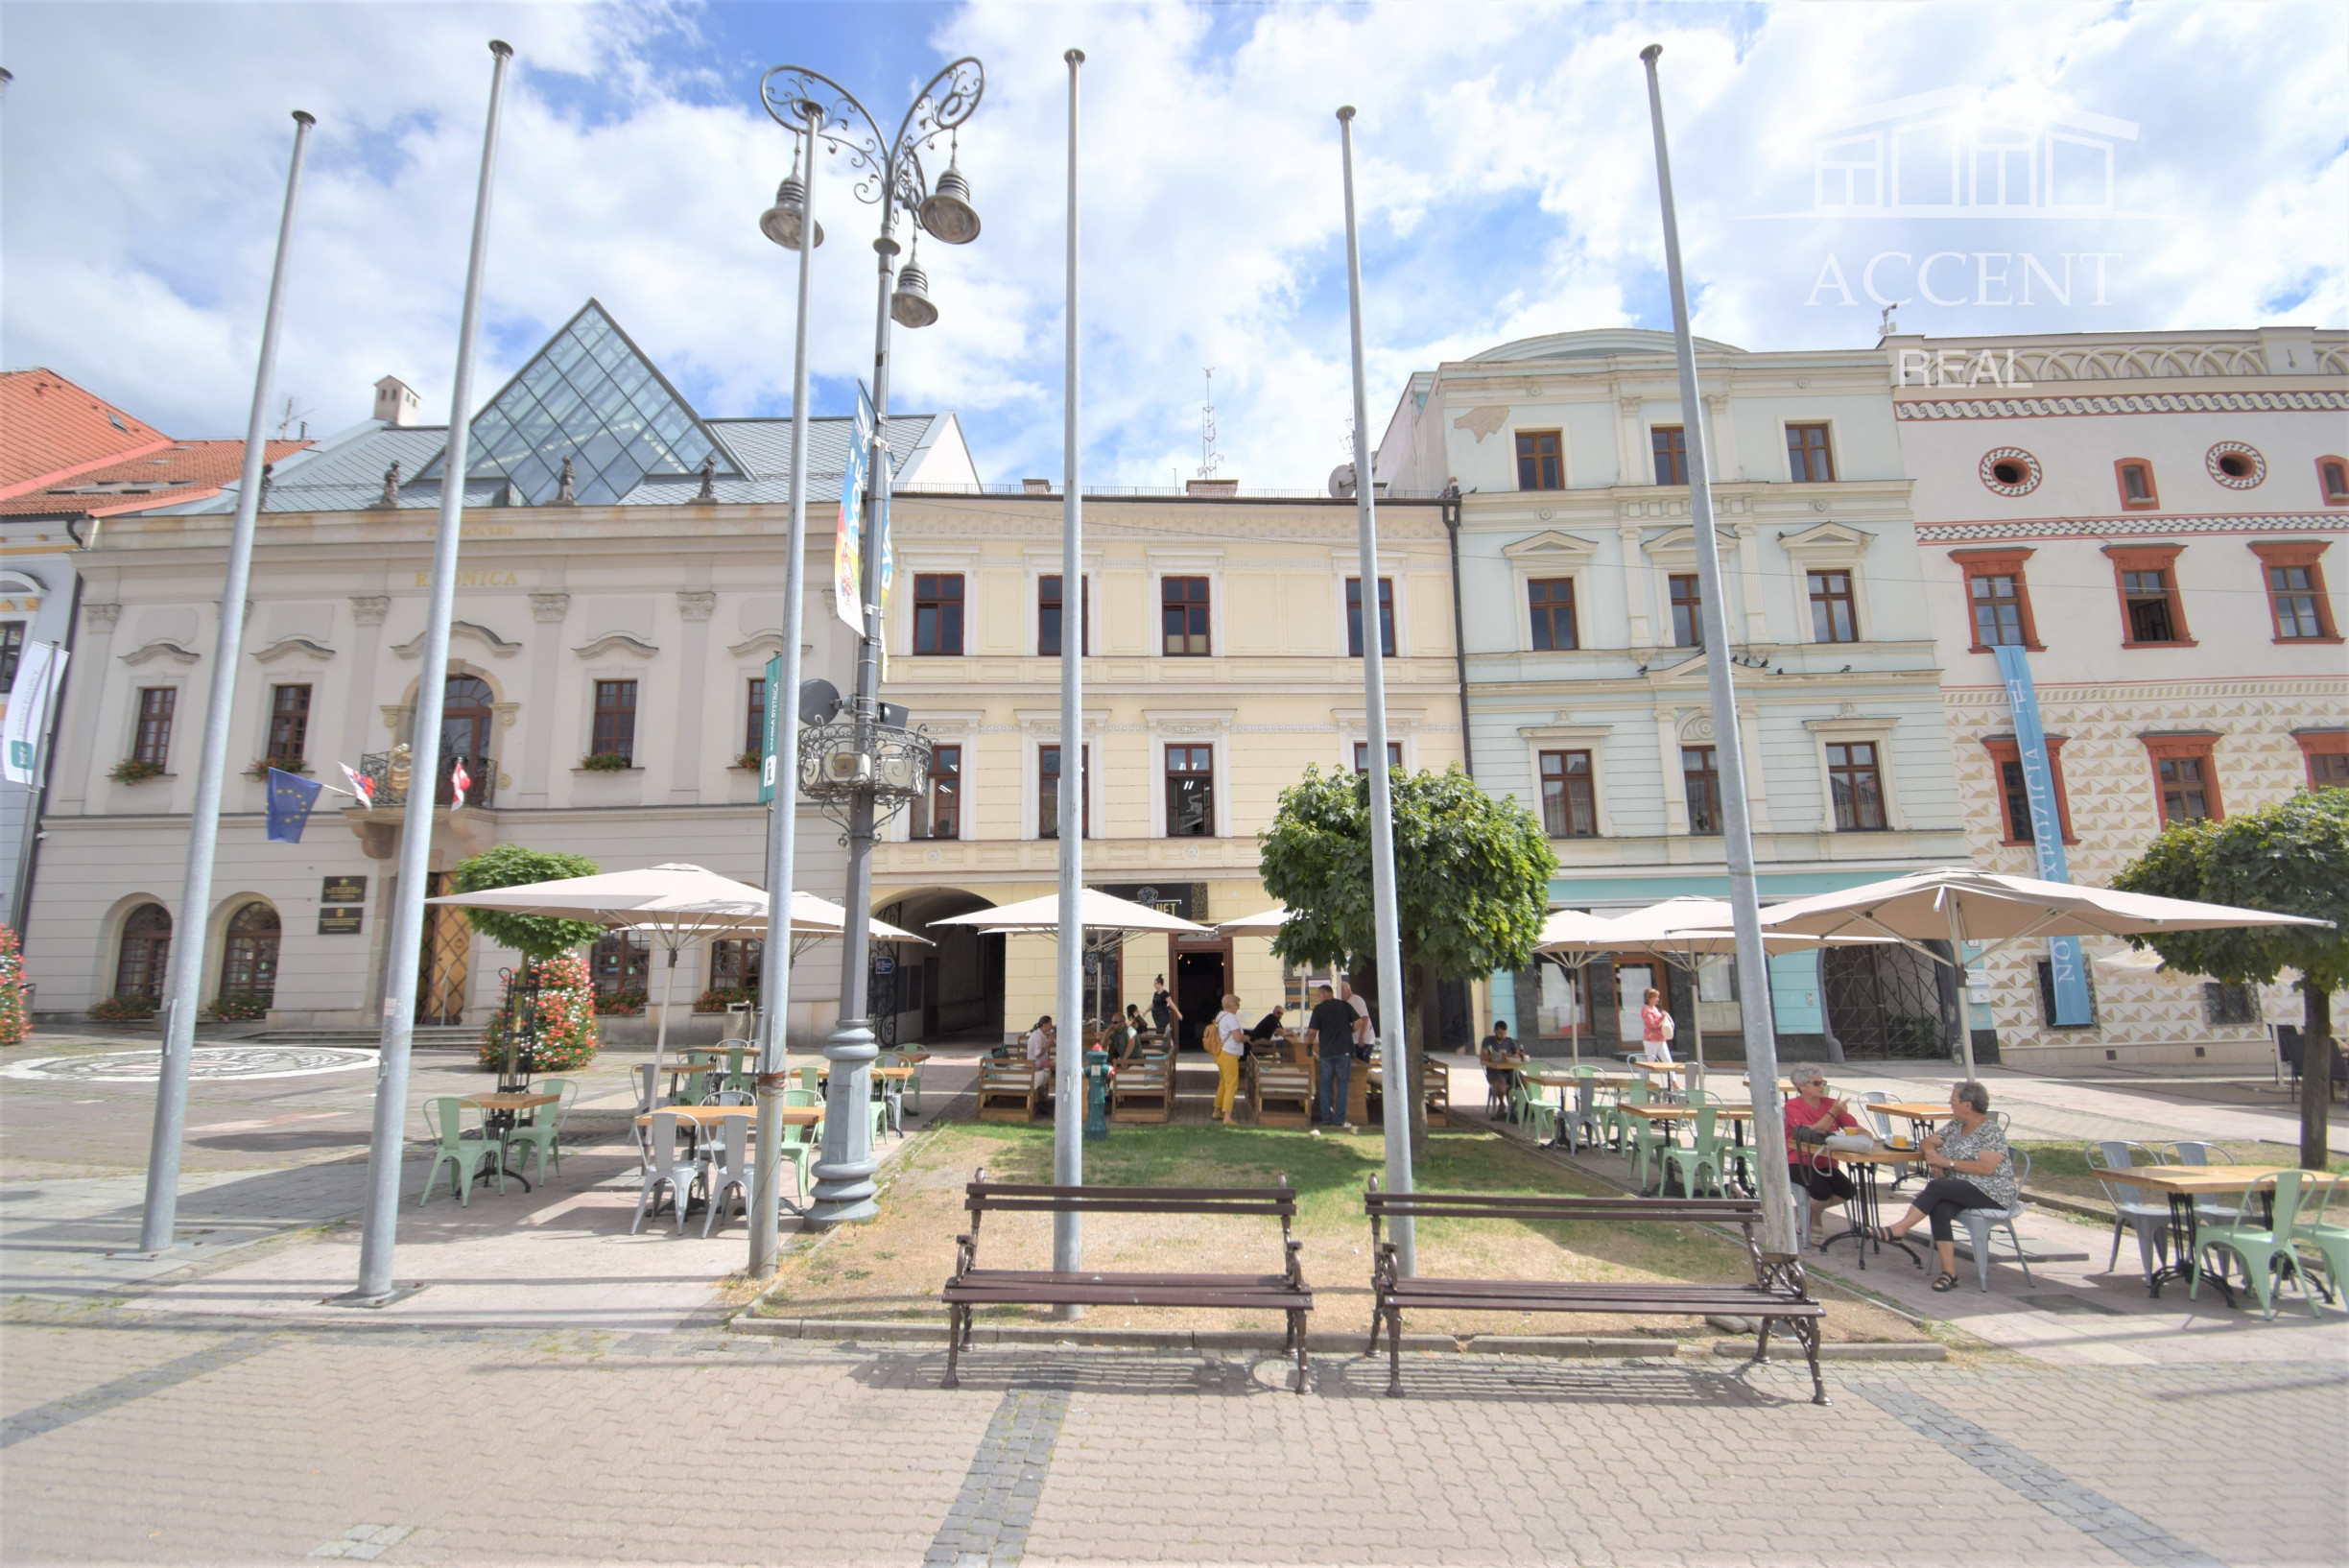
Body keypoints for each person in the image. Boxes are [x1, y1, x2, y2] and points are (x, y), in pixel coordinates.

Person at [1860, 1081, 2019, 1292]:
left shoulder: (1990, 1131)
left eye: (1953, 1099)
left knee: (1937, 1188)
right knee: (1939, 1208)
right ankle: (1949, 1273)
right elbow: (1928, 1141)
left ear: (1967, 1105)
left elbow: (1986, 1168)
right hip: (1961, 1187)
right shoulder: (1957, 1125)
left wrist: (1948, 1163)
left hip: (1992, 1191)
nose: (1949, 1103)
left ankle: (1900, 1229)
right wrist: (1933, 1156)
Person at [1784, 1064, 1862, 1246]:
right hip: (1799, 1161)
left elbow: (1853, 1127)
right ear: (1801, 1086)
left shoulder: (1829, 1103)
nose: (1822, 1087)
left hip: (1827, 1162)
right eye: (1817, 1083)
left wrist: (1863, 1134)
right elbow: (1812, 1133)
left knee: (1848, 1190)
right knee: (1821, 1191)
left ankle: (1807, 1213)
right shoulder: (1793, 1105)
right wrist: (1832, 1113)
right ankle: (1816, 1221)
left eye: (1823, 1082)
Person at [1307, 984, 1359, 1127]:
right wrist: (1349, 1031)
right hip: (1344, 1051)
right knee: (1342, 1085)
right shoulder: (1344, 1005)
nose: (1319, 998)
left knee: (1325, 1086)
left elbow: (1312, 1032)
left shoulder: (1319, 1009)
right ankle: (1339, 1119)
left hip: (1326, 1052)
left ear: (1324, 994)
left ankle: (1326, 1119)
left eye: (1319, 995)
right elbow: (1359, 1022)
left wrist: (1309, 1045)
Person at [1210, 992, 1247, 1123]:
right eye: (1237, 1004)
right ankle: (1227, 1116)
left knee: (1223, 1083)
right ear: (1232, 1004)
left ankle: (1217, 1111)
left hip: (1220, 1053)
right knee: (1231, 1085)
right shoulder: (1231, 1018)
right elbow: (1238, 1037)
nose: (1238, 1007)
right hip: (1229, 1054)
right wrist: (1248, 1038)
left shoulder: (1220, 1015)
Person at [1480, 1020, 1525, 1120]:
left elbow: (1518, 1054)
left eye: (1504, 1033)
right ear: (1495, 1031)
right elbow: (1483, 1056)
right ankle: (1502, 1104)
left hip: (1511, 1070)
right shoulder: (1488, 1040)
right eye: (1500, 1033)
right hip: (1495, 1071)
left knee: (1525, 1082)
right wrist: (1496, 1056)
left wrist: (1514, 1055)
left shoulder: (1510, 1041)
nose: (1502, 1035)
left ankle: (1516, 1105)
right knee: (1501, 1086)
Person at [1639, 988, 1673, 1063]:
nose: (1658, 999)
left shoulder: (1654, 1008)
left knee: (1667, 1060)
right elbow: (1652, 1025)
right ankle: (1646, 1072)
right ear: (1650, 998)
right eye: (1656, 997)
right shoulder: (1646, 1009)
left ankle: (1671, 1072)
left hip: (1661, 1038)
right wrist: (1662, 1018)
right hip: (1651, 1039)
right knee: (1650, 1061)